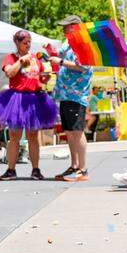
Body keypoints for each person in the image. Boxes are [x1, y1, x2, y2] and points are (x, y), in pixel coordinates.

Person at [0, 30, 57, 181]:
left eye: (29, 42)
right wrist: (20, 61)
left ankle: (36, 170)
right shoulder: (10, 57)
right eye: (25, 42)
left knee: (33, 136)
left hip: (34, 99)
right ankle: (11, 170)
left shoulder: (36, 59)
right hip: (17, 100)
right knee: (14, 136)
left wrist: (44, 78)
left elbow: (41, 79)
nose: (28, 45)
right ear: (17, 43)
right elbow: (9, 73)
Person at [52, 15, 93, 182]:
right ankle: (75, 165)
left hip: (76, 94)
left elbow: (83, 66)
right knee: (70, 132)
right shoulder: (69, 44)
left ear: (75, 27)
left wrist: (61, 62)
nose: (63, 29)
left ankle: (82, 169)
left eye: (66, 26)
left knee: (77, 131)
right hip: (66, 94)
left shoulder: (82, 44)